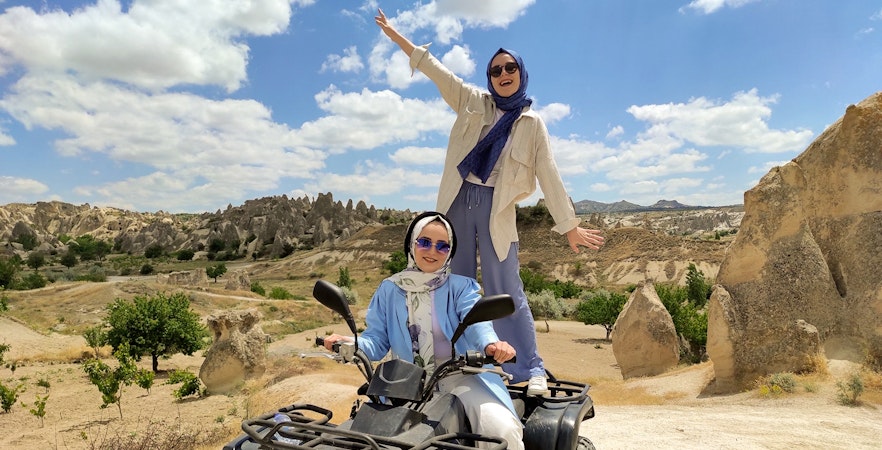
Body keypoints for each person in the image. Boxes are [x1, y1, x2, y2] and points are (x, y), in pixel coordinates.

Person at [374, 9, 604, 396]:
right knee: (451, 286)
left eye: (509, 67)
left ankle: (528, 367)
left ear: (520, 72)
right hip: (457, 200)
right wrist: (396, 36)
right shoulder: (471, 100)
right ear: (489, 77)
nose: (502, 74)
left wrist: (569, 225)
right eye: (495, 70)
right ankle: (458, 366)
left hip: (498, 208)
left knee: (505, 289)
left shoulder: (532, 124)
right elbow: (434, 69)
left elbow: (549, 174)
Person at [323, 211, 524, 450]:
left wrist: (491, 345)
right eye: (424, 242)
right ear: (412, 243)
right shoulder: (389, 289)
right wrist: (349, 343)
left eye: (442, 246)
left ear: (449, 252)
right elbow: (376, 341)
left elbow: (476, 322)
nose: (432, 251)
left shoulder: (461, 287)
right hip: (403, 385)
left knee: (502, 430)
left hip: (459, 377)